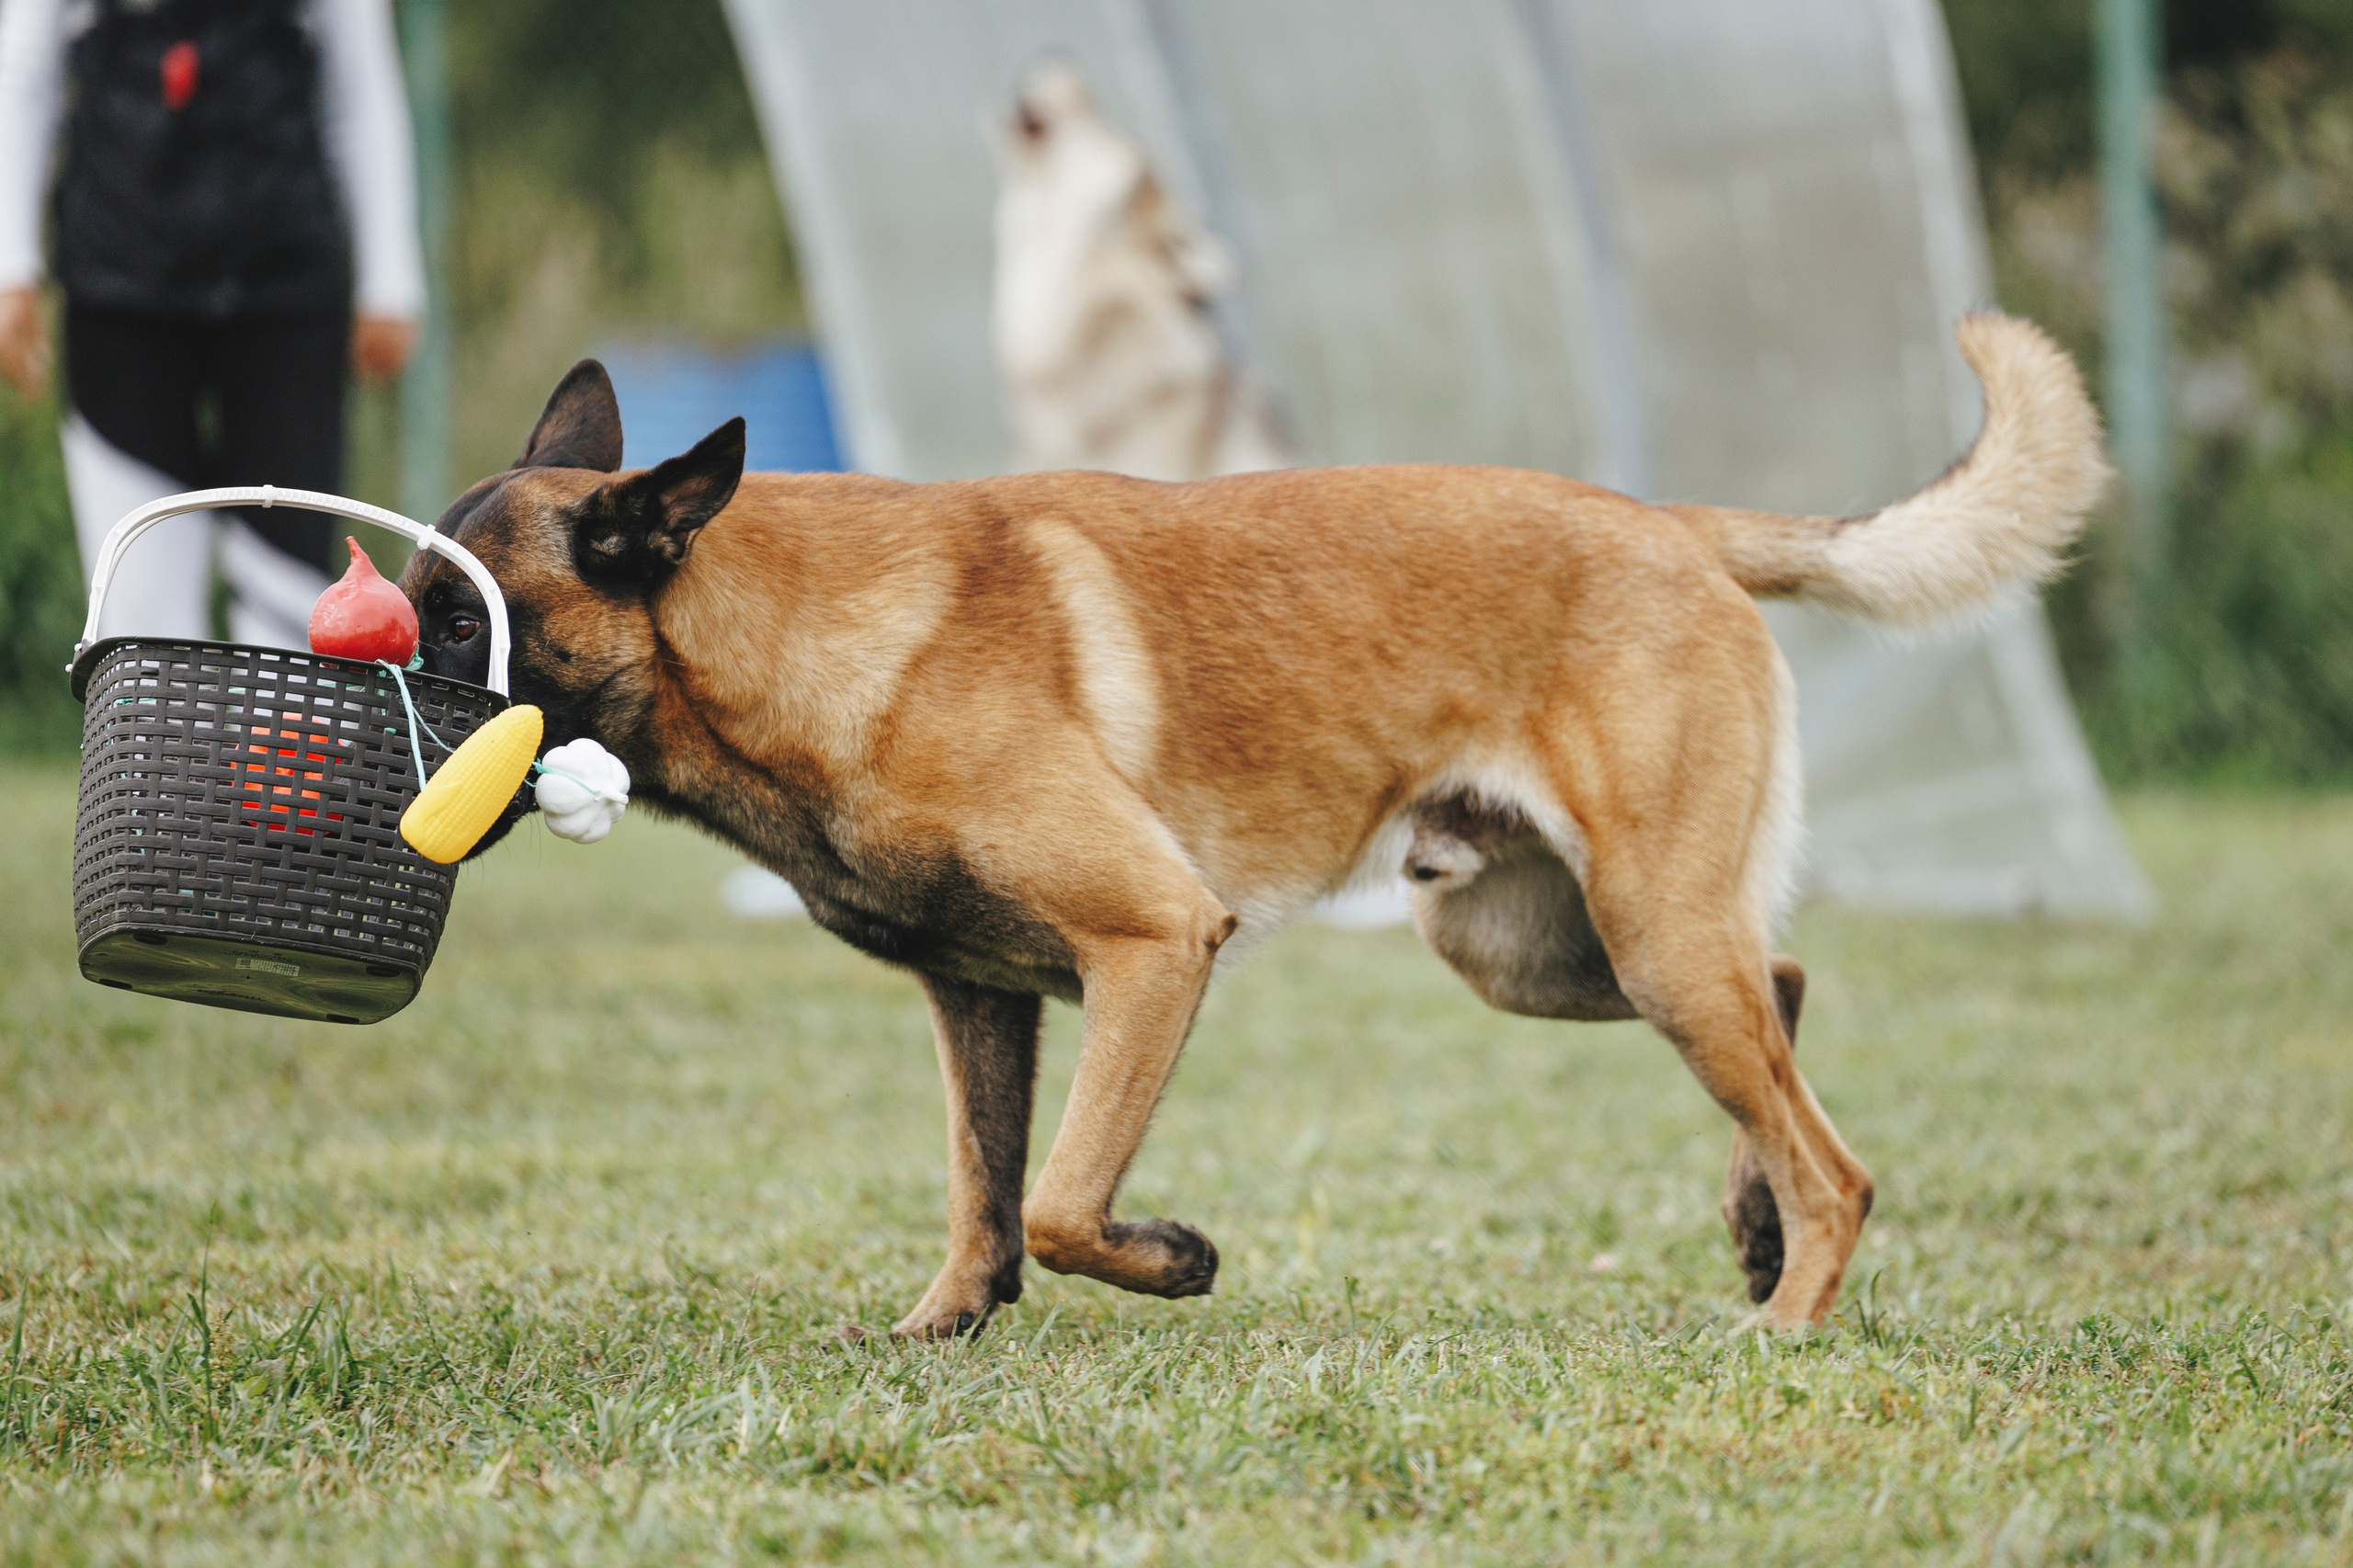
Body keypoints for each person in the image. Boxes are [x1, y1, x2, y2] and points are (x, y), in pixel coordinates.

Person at [0, 0, 425, 649]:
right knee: (136, 578)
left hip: (284, 287)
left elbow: (361, 78)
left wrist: (390, 278)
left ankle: (284, 750)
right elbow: (26, 64)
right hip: (119, 283)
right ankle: (150, 745)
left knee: (287, 580)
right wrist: (11, 266)